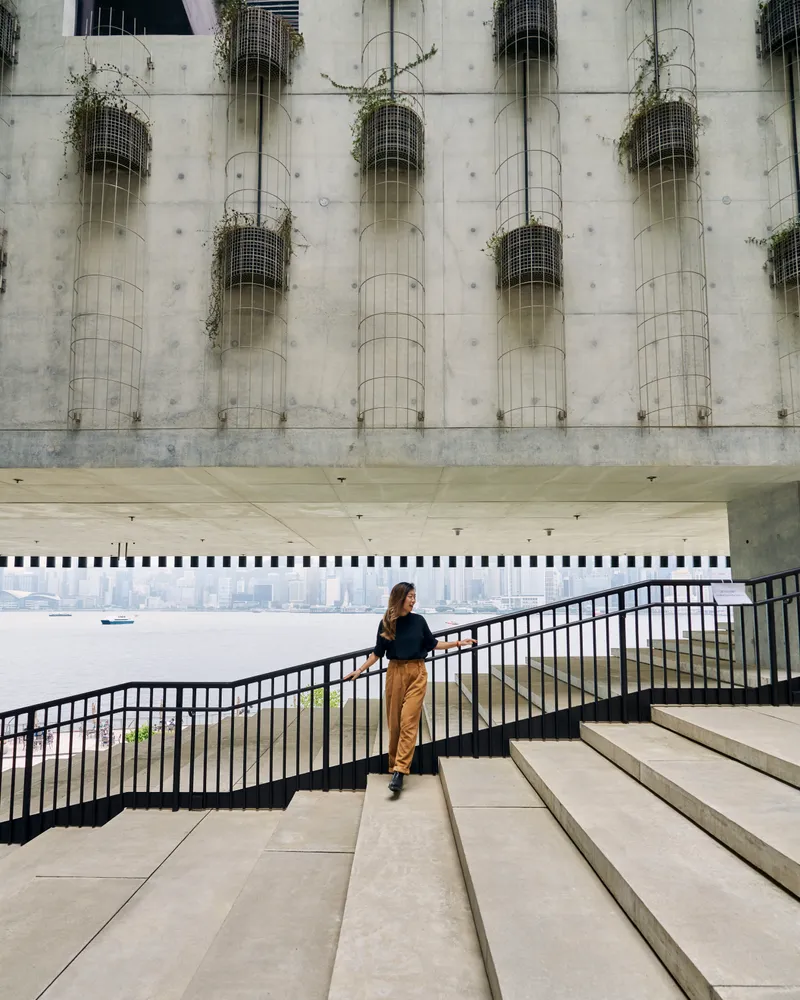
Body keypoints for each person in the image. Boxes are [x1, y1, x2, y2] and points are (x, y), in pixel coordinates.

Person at [344, 582, 475, 794]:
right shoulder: (387, 622)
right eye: (410, 596)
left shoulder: (419, 621)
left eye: (415, 596)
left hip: (417, 672)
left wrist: (459, 643)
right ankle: (393, 765)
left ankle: (400, 771)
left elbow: (433, 644)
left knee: (408, 721)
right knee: (394, 724)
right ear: (400, 598)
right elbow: (377, 653)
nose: (413, 600)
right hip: (395, 673)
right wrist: (359, 670)